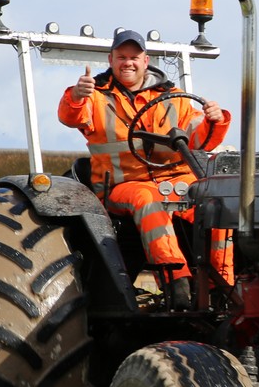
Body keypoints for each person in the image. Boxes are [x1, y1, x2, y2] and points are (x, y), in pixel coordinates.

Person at [58, 29, 230, 308]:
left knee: (218, 203)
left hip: (178, 182)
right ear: (111, 60)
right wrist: (77, 95)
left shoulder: (174, 97)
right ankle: (177, 284)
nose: (128, 62)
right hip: (123, 185)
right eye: (121, 57)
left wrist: (215, 119)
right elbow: (70, 115)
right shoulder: (94, 97)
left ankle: (222, 286)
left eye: (134, 57)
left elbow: (200, 139)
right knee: (147, 198)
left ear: (145, 61)